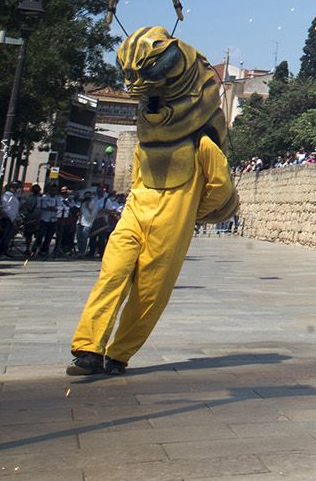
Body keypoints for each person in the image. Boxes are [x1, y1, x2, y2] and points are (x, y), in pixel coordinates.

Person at [68, 27, 238, 377]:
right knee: (112, 272)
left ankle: (118, 353)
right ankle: (88, 347)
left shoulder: (202, 144)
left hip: (171, 218)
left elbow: (221, 186)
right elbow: (137, 177)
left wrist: (192, 213)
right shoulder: (147, 141)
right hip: (136, 211)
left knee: (150, 290)